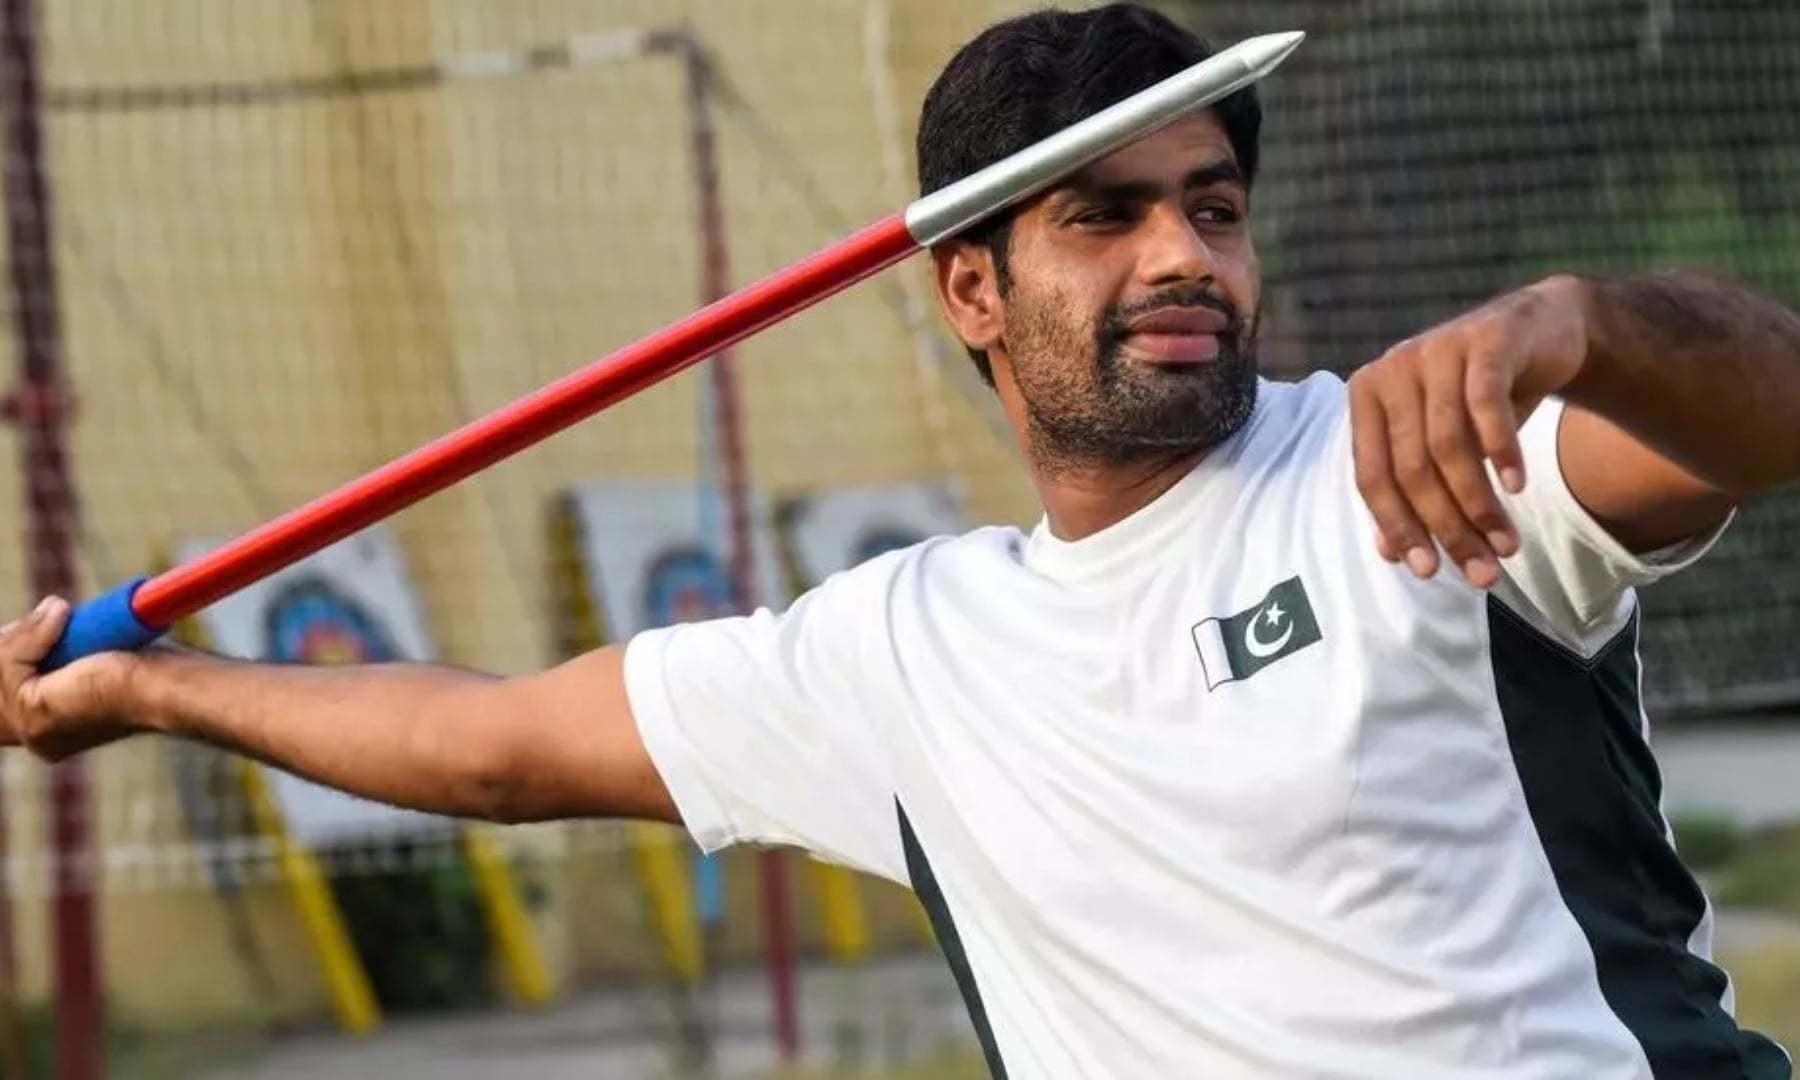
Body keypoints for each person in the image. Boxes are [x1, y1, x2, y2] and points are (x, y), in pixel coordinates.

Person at [5, 4, 1800, 1076]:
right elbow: (484, 747)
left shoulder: (1415, 462)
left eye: (1215, 206)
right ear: (971, 286)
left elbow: (1771, 417)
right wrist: (159, 688)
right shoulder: (895, 656)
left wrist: (1591, 322)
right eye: (1104, 216)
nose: (1183, 256)